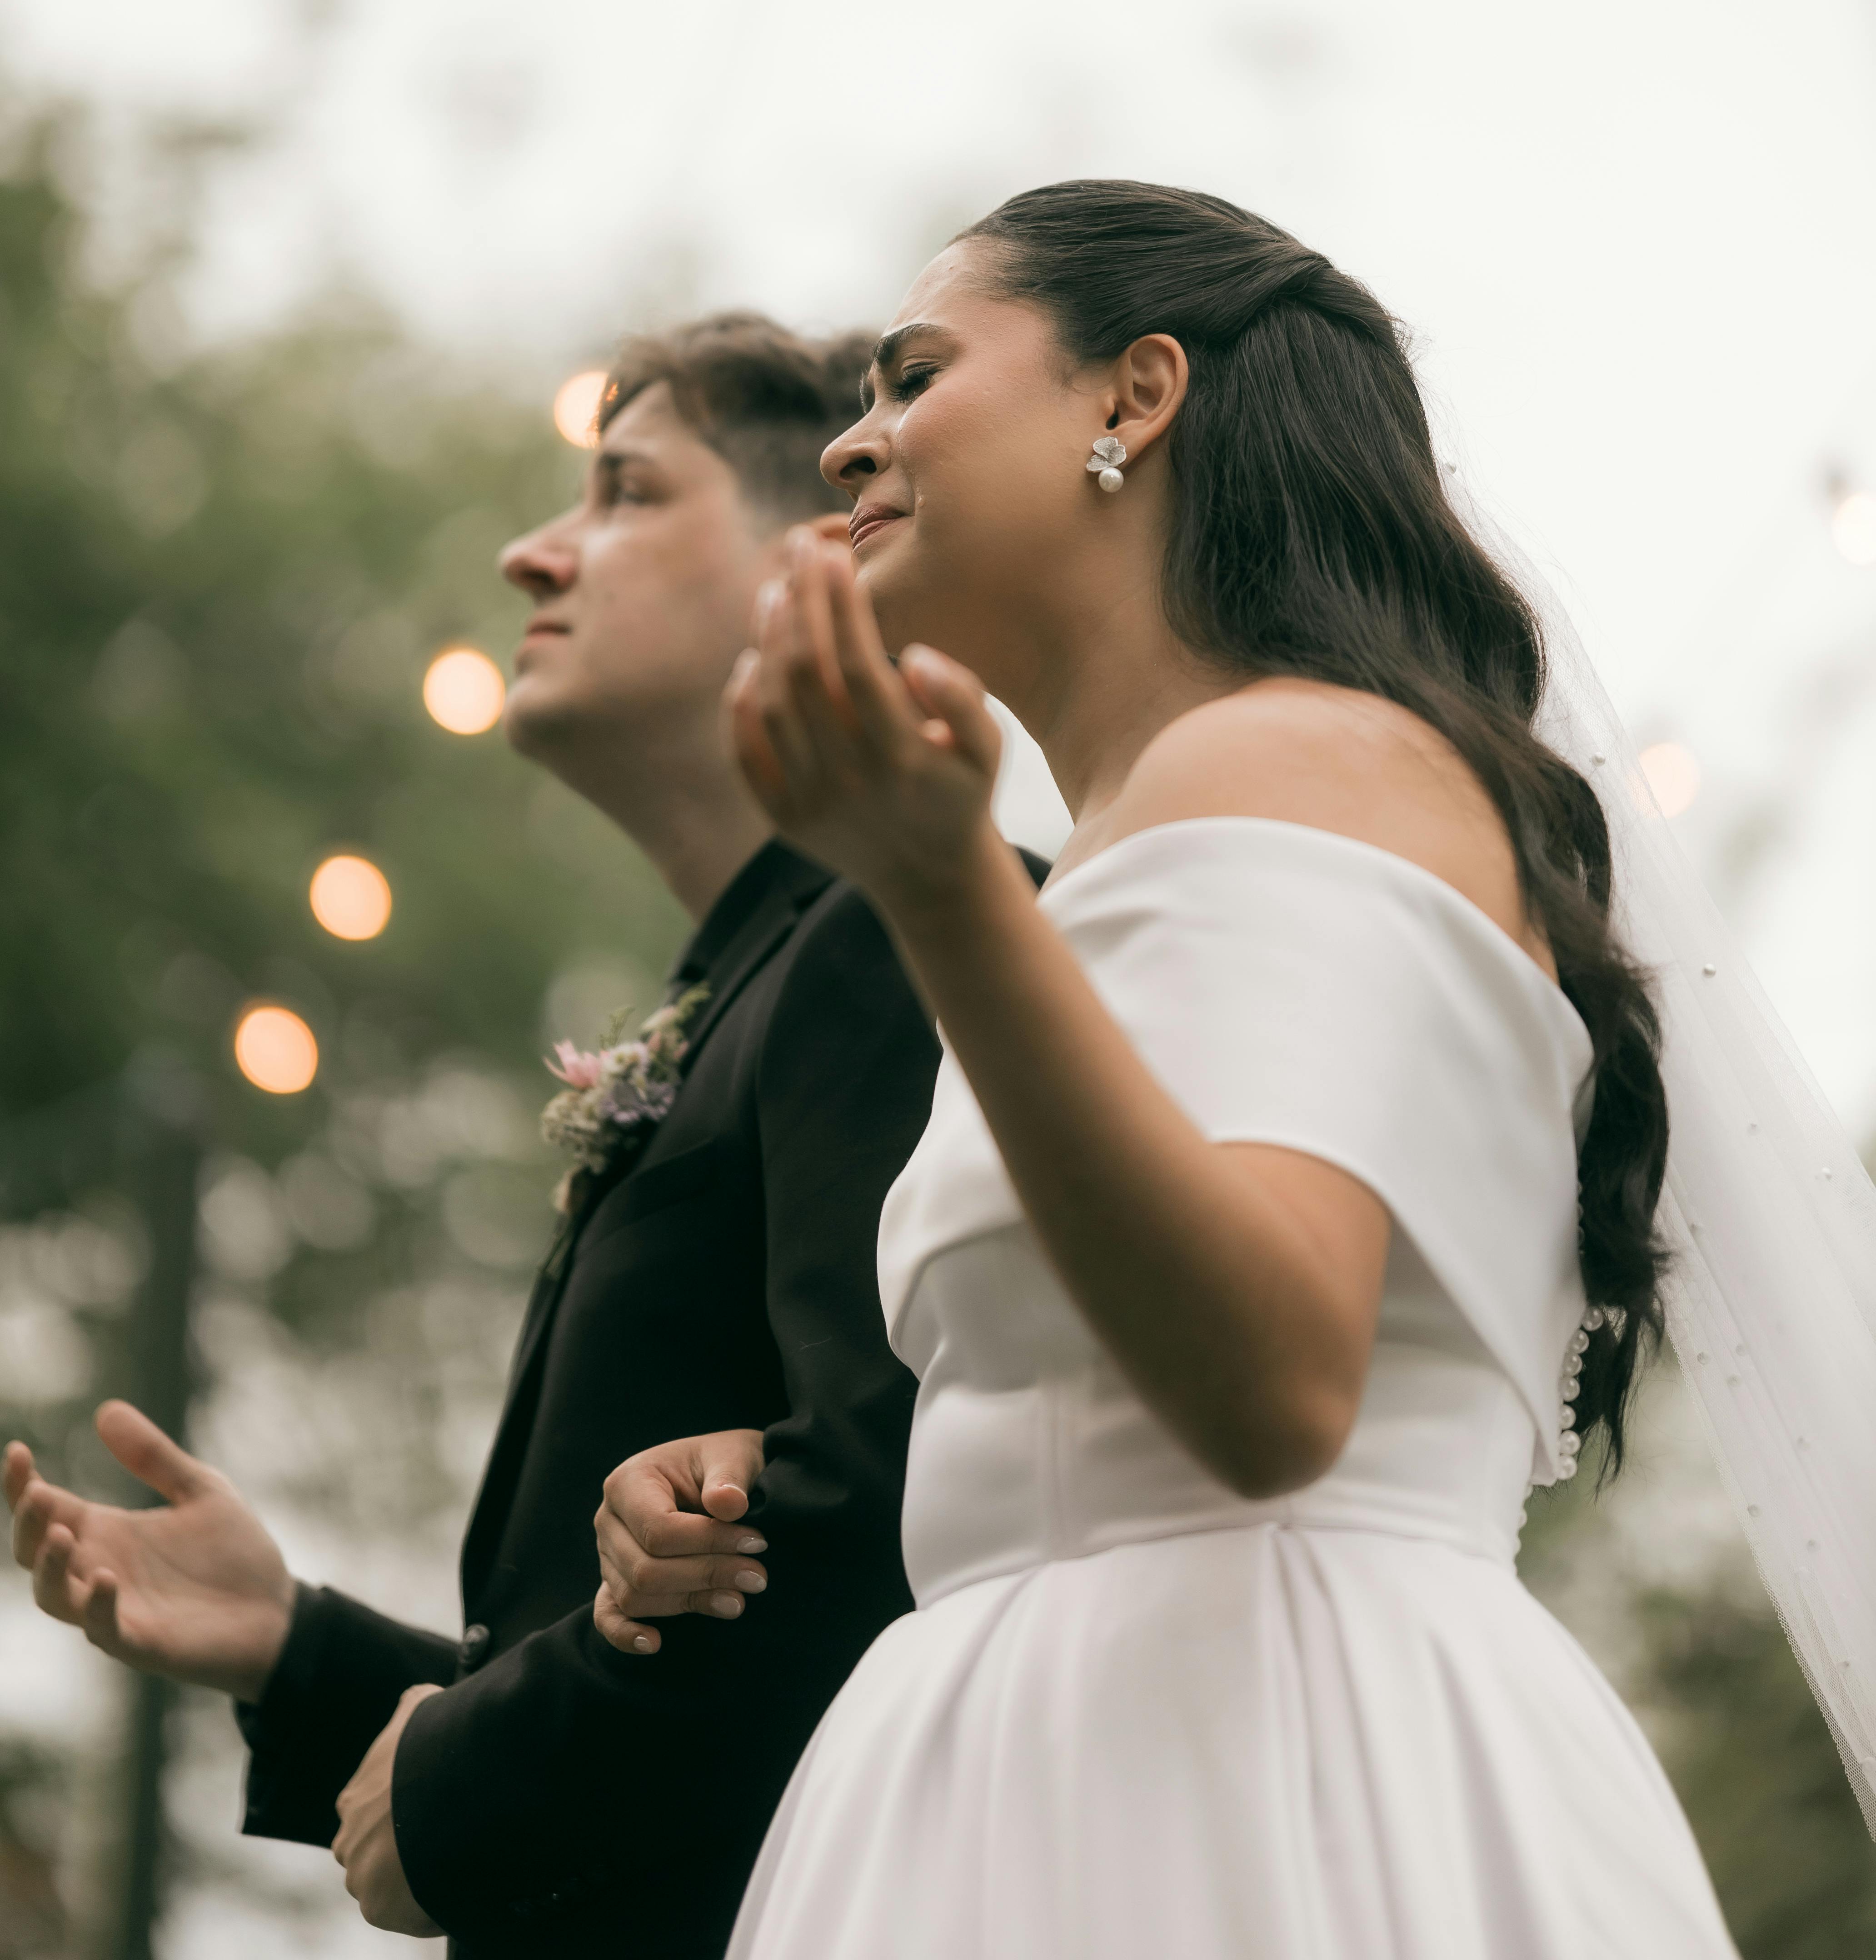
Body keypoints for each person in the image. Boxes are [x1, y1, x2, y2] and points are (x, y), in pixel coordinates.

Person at [599, 183, 1745, 1958]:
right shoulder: (1166, 819)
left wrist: (936, 879)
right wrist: (743, 1464)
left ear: (1133, 399)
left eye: (915, 374)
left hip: (1254, 1778)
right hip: (1059, 1750)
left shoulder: (1299, 757)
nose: (855, 444)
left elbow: (1276, 1387)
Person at [5, 315, 955, 1959]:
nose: (532, 554)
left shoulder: (899, 941)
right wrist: (294, 1646)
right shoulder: (754, 977)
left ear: (813, 557)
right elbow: (654, 1630)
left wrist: (457, 1788)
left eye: (624, 492)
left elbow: (880, 1526)